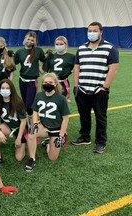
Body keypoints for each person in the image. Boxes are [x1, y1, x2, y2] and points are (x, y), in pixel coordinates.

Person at [72, 21, 119, 154]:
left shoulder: (110, 48)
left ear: (101, 32)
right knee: (84, 115)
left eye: (94, 31)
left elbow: (113, 69)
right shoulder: (81, 48)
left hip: (99, 90)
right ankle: (85, 137)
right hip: (82, 90)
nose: (91, 33)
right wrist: (76, 85)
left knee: (100, 116)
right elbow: (77, 67)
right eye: (89, 31)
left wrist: (104, 87)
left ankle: (101, 142)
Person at [26, 73, 70, 171]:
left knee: (52, 158)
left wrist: (61, 135)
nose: (47, 84)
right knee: (31, 133)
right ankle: (32, 158)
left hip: (56, 129)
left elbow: (66, 118)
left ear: (55, 84)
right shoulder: (39, 96)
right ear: (42, 84)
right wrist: (34, 123)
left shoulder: (61, 98)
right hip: (44, 126)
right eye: (45, 82)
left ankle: (47, 143)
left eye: (50, 82)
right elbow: (35, 111)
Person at [0, 79, 27, 164]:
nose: (5, 90)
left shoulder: (18, 102)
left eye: (7, 88)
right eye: (3, 88)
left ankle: (24, 143)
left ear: (11, 90)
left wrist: (19, 138)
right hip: (8, 126)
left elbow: (23, 122)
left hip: (20, 128)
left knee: (19, 158)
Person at [14, 31, 46, 124]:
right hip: (22, 80)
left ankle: (33, 121)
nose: (30, 41)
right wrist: (9, 55)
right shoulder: (20, 51)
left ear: (35, 41)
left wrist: (43, 67)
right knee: (24, 104)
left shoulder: (38, 51)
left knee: (29, 105)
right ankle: (28, 122)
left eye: (32, 40)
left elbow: (45, 60)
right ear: (25, 39)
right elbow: (13, 63)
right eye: (28, 39)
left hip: (32, 81)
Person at [42, 36, 75, 102]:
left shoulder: (71, 57)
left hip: (63, 82)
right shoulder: (51, 56)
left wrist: (71, 71)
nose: (59, 46)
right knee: (50, 101)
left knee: (60, 101)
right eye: (57, 44)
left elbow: (77, 67)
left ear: (65, 45)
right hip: (51, 82)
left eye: (61, 44)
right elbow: (44, 70)